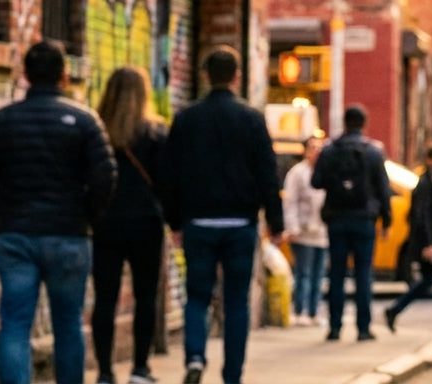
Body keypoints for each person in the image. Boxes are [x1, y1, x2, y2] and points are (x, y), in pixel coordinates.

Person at [160, 46, 284, 384]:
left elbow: (169, 174)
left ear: (204, 76)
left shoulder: (186, 119)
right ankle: (232, 374)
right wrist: (276, 223)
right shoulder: (251, 119)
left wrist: (175, 221)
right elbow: (267, 174)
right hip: (240, 224)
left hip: (198, 222)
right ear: (236, 77)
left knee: (197, 296)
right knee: (236, 302)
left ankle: (195, 357)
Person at [0, 40, 117, 384]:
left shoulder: (5, 120)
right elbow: (105, 176)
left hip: (15, 235)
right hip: (68, 235)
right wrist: (89, 217)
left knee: (14, 323)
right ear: (64, 75)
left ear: (25, 75)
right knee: (68, 323)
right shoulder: (84, 121)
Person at [91, 66, 168, 384]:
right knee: (146, 297)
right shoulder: (155, 133)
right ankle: (140, 368)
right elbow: (165, 182)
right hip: (146, 224)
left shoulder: (96, 130)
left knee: (104, 298)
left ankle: (104, 371)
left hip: (105, 223)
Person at [311, 104, 391, 342]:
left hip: (336, 219)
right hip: (364, 220)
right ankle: (363, 328)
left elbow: (316, 182)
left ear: (344, 123)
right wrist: (386, 220)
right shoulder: (373, 152)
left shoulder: (329, 151)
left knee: (336, 274)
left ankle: (334, 327)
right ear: (364, 123)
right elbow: (383, 189)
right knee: (363, 275)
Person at [382, 143, 432, 339]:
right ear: (429, 160)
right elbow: (421, 216)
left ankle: (394, 310)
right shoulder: (424, 184)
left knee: (427, 282)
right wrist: (428, 244)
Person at [283, 135, 328, 327]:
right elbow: (290, 202)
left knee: (319, 275)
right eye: (313, 148)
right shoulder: (297, 173)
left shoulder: (326, 171)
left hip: (322, 231)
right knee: (304, 273)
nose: (316, 151)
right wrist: (291, 227)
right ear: (306, 151)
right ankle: (300, 310)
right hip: (302, 231)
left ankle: (314, 312)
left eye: (320, 148)